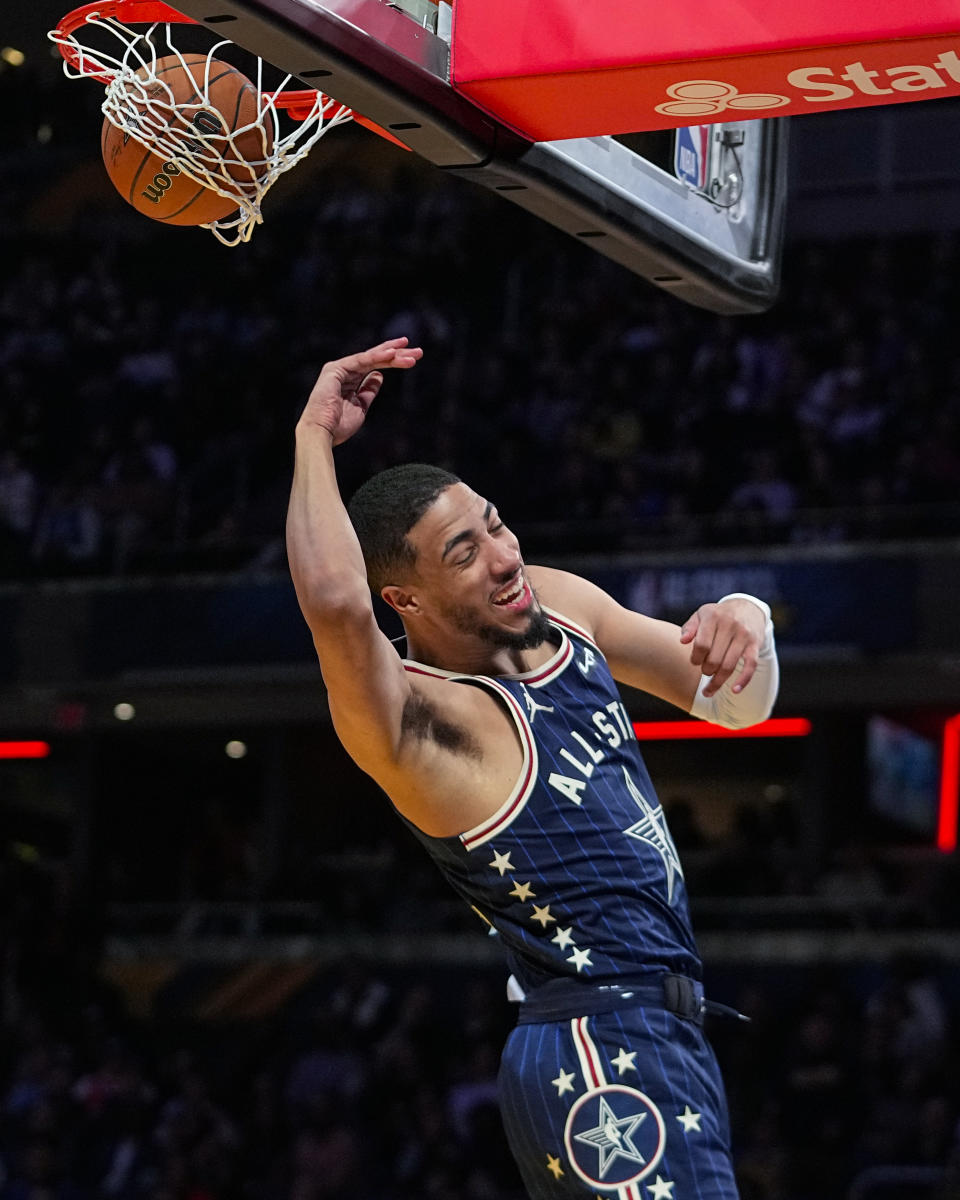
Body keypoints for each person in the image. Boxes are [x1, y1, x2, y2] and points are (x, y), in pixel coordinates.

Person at [286, 338, 780, 1199]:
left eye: (495, 524)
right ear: (403, 600)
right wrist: (312, 436)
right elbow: (335, 602)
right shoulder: (420, 720)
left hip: (658, 1033)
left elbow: (738, 700)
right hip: (600, 1044)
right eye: (463, 554)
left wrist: (745, 614)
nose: (505, 556)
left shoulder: (559, 604)